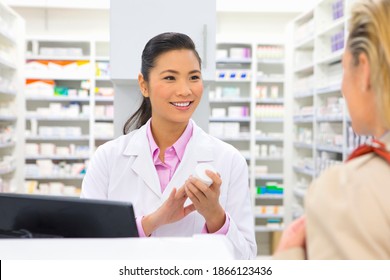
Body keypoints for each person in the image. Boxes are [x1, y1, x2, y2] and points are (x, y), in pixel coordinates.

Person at [81, 32, 257, 259]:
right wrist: (152, 222)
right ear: (144, 85)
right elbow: (86, 245)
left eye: (194, 77)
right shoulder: (108, 158)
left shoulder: (229, 160)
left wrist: (215, 216)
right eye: (170, 78)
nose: (185, 90)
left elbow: (247, 260)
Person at [275, 0, 390, 259]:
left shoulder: (348, 192)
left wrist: (287, 256)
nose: (341, 86)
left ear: (365, 71)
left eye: (344, 67)